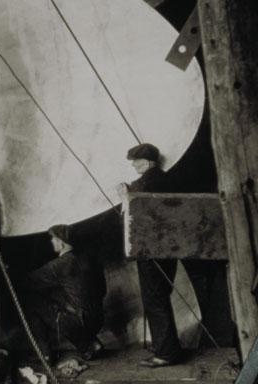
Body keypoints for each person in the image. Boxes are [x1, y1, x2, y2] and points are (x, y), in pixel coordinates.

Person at [119, 143, 210, 368]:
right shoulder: (169, 179)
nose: (133, 166)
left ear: (148, 162)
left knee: (154, 300)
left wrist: (124, 195)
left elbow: (132, 216)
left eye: (136, 162)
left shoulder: (142, 184)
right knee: (161, 296)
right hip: (170, 250)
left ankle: (166, 353)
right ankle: (167, 347)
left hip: (150, 251)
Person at [18, 225, 106, 364]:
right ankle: (90, 342)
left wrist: (8, 272)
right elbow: (102, 290)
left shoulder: (61, 265)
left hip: (80, 322)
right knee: (61, 295)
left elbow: (28, 282)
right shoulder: (89, 258)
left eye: (53, 238)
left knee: (30, 303)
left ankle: (46, 355)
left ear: (61, 242)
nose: (52, 242)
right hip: (98, 318)